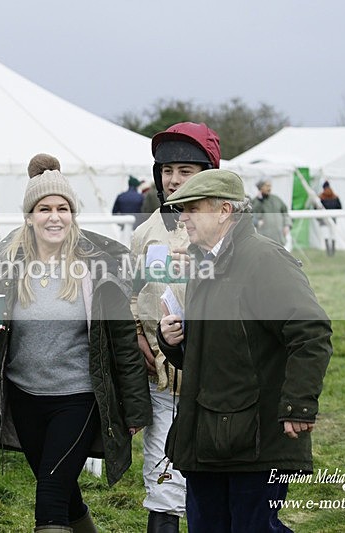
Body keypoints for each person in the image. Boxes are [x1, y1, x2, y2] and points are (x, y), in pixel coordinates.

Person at [0, 169, 152, 533]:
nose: (54, 216)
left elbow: (124, 343)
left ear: (72, 213)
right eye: (44, 208)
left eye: (62, 208)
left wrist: (134, 407)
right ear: (30, 216)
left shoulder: (97, 265)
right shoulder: (7, 259)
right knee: (64, 494)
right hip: (23, 396)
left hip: (78, 397)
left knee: (49, 497)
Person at [157, 169, 333, 533]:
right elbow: (214, 353)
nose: (183, 217)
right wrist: (173, 342)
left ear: (224, 211)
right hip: (207, 436)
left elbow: (311, 333)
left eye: (193, 208)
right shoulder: (203, 263)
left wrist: (298, 404)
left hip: (255, 440)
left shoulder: (264, 259)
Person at [130, 121, 220, 533]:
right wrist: (136, 335)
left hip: (219, 384)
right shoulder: (145, 234)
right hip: (163, 383)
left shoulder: (229, 234)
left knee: (214, 489)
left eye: (185, 170)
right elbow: (130, 295)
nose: (173, 179)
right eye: (167, 171)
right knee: (163, 485)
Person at [251, 178, 292, 246]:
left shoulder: (276, 199)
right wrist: (257, 222)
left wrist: (287, 225)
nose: (269, 188)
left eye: (270, 186)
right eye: (266, 186)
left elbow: (285, 213)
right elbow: (250, 217)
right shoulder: (255, 202)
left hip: (279, 238)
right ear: (261, 187)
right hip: (264, 240)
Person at [318, 180, 342, 256]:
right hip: (333, 219)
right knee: (332, 235)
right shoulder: (335, 197)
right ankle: (332, 252)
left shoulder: (321, 197)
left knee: (326, 235)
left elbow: (317, 209)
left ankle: (329, 252)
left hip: (324, 220)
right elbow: (339, 208)